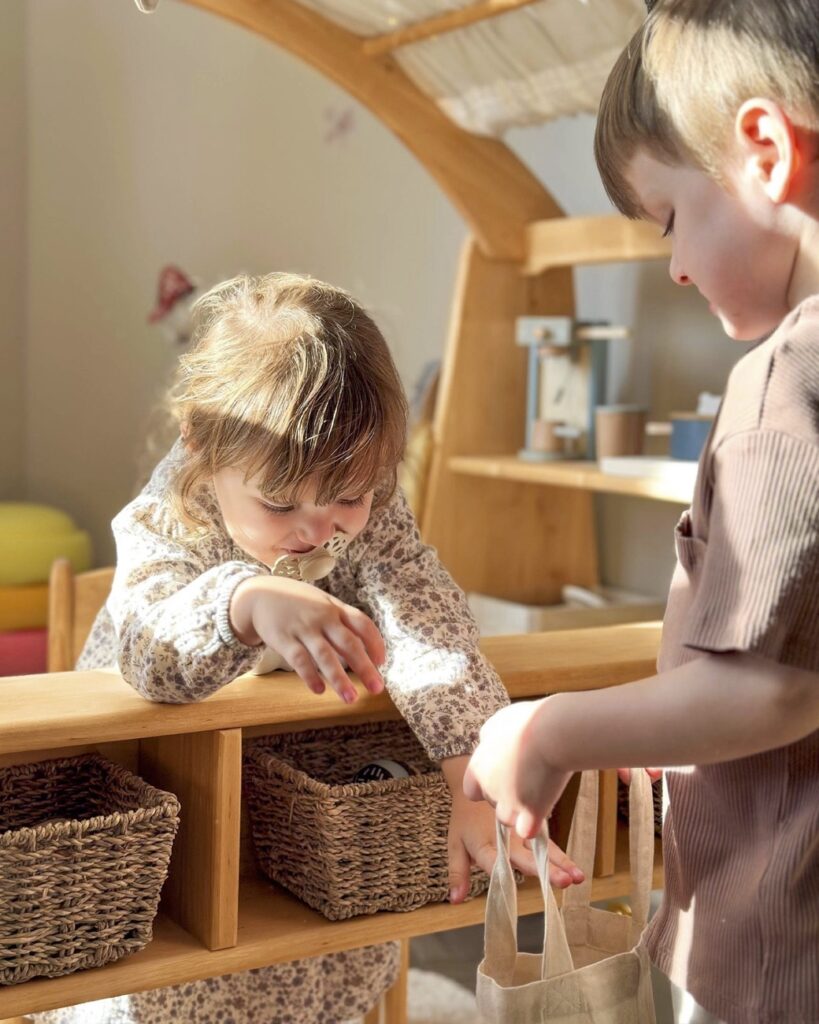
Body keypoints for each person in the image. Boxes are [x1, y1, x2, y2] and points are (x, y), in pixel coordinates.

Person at [32, 273, 582, 1024]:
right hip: (174, 826)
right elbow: (147, 650)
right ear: (202, 446)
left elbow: (429, 625)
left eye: (349, 499)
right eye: (282, 505)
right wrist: (244, 601)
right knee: (188, 987)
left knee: (323, 965)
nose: (320, 530)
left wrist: (470, 775)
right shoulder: (169, 516)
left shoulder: (369, 508)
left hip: (307, 826)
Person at [464, 3, 819, 1023]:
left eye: (667, 217)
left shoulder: (781, 385)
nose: (670, 263)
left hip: (771, 942)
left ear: (762, 148)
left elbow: (769, 691)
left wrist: (551, 728)